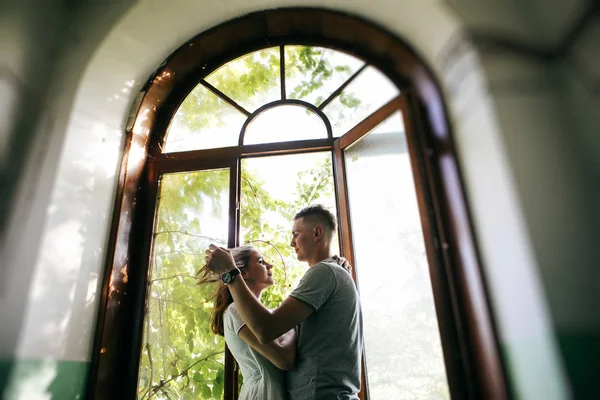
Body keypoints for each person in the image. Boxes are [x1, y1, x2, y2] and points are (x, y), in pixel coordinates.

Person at [205, 205, 364, 400]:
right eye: (262, 261)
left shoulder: (325, 272)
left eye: (296, 234)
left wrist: (229, 272)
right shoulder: (329, 272)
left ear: (317, 233)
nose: (291, 242)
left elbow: (267, 330)